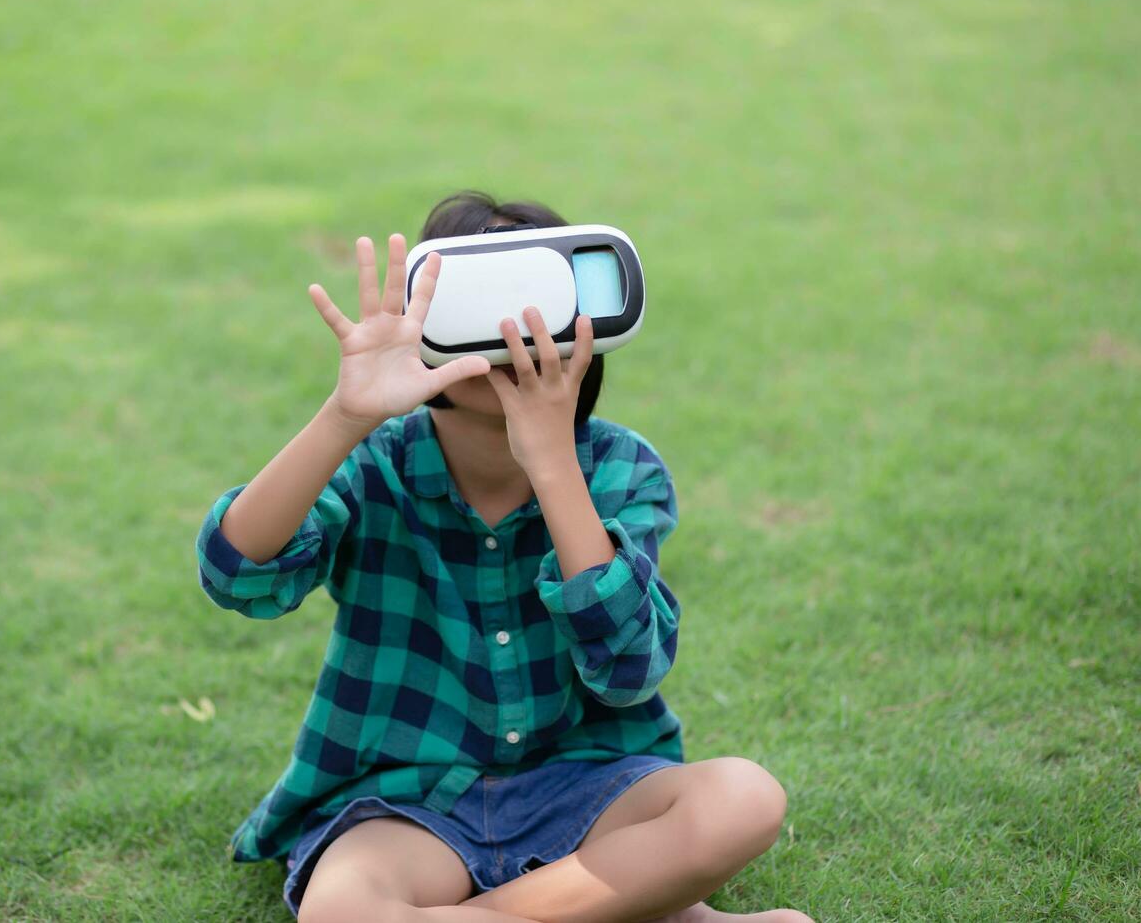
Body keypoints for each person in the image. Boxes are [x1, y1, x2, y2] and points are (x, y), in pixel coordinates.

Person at [194, 191, 811, 922]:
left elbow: (626, 672)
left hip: (588, 787)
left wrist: (552, 463)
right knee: (342, 910)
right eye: (479, 300)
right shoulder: (373, 463)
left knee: (744, 799)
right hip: (409, 804)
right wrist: (345, 415)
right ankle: (640, 911)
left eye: (532, 300)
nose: (508, 331)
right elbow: (236, 573)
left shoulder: (619, 469)